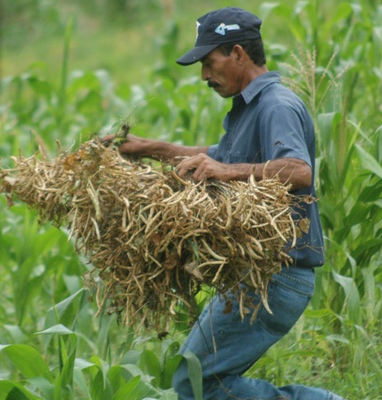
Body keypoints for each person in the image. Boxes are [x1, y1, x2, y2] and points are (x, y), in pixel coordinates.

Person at [110, 7, 345, 400]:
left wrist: (223, 172)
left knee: (196, 382)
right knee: (201, 380)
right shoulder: (251, 108)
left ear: (238, 53)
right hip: (258, 275)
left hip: (277, 275)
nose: (204, 76)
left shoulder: (275, 105)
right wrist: (147, 148)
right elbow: (217, 155)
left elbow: (299, 171)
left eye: (208, 62)